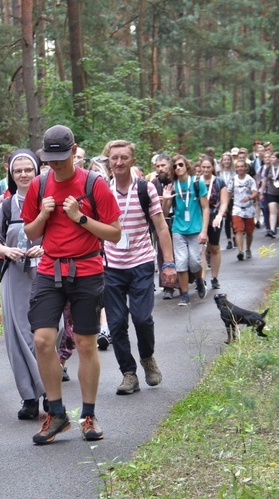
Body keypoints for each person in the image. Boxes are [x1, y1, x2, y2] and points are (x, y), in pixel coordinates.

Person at [22, 124, 121, 444]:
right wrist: (43, 216)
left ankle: (88, 415)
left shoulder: (95, 184)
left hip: (88, 269)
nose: (56, 165)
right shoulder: (39, 185)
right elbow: (30, 233)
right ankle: (56, 412)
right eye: (50, 160)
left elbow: (115, 233)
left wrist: (80, 217)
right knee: (42, 340)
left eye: (62, 158)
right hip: (50, 270)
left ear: (74, 151)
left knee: (85, 344)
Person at [101, 140, 176, 396]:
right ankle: (128, 373)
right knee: (117, 322)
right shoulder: (102, 190)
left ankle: (147, 358)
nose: (119, 162)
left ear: (132, 161)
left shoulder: (146, 189)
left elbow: (161, 227)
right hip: (110, 266)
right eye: (114, 158)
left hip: (141, 263)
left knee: (142, 319)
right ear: (108, 161)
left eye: (124, 157)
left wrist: (168, 263)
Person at [0, 149, 47, 419]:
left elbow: (61, 236)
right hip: (15, 277)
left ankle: (49, 389)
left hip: (46, 275)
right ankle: (29, 397)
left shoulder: (48, 202)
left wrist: (45, 248)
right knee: (18, 336)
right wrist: (5, 251)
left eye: (28, 170)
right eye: (18, 171)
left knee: (49, 332)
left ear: (37, 171)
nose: (23, 174)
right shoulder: (5, 206)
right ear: (11, 175)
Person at [161, 155, 209, 307]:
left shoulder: (196, 182)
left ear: (186, 165)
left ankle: (200, 282)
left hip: (195, 229)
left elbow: (206, 208)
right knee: (181, 263)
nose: (178, 168)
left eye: (180, 165)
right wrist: (166, 199)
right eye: (174, 166)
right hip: (178, 229)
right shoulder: (172, 186)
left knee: (194, 261)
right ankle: (185, 295)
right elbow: (165, 213)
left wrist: (204, 231)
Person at [151, 154, 179, 300]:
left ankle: (186, 281)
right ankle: (168, 286)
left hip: (181, 221)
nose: (160, 169)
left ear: (170, 165)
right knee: (163, 253)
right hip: (162, 221)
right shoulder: (154, 184)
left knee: (181, 252)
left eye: (163, 165)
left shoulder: (179, 181)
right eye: (158, 166)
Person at [198, 158, 229, 290]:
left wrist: (219, 215)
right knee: (202, 248)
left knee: (214, 248)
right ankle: (202, 278)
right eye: (203, 167)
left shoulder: (219, 182)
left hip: (215, 217)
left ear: (212, 167)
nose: (205, 170)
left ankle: (214, 277)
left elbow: (224, 202)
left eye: (208, 167)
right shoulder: (196, 182)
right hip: (199, 217)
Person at [219, 152, 237, 249]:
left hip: (233, 197)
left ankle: (235, 236)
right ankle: (229, 239)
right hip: (222, 198)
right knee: (226, 219)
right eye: (225, 160)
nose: (226, 161)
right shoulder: (219, 173)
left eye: (228, 159)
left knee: (233, 218)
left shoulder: (234, 172)